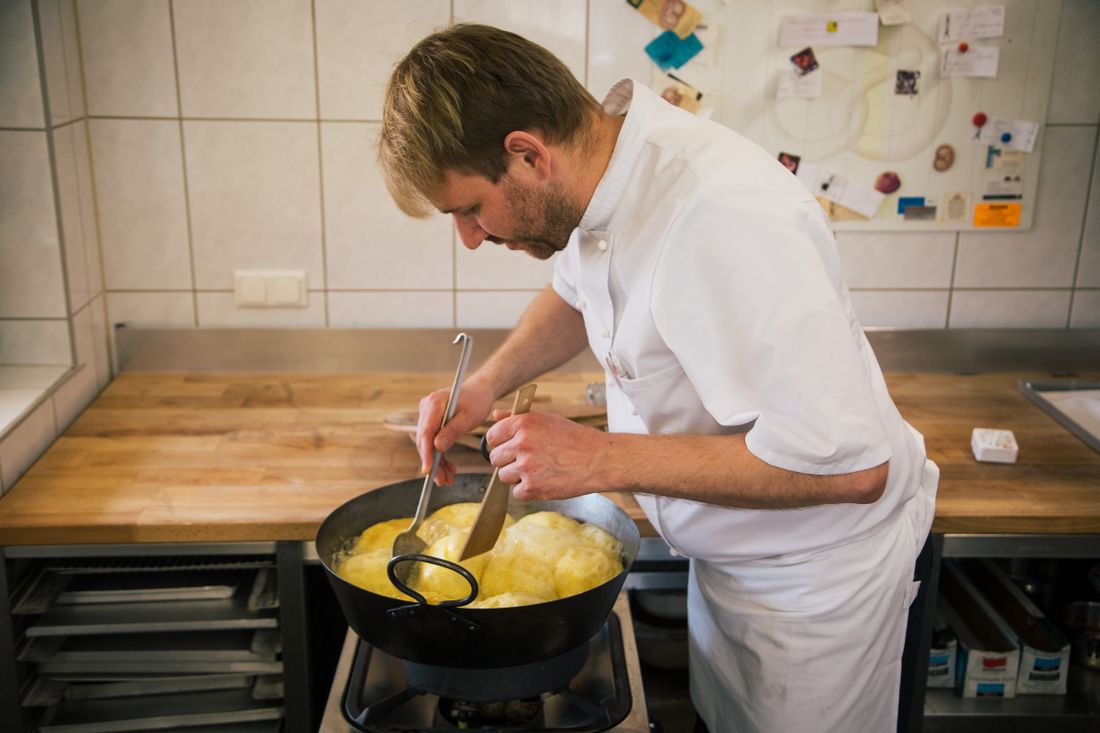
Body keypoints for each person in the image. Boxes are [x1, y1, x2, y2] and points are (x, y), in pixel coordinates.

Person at [379, 24, 938, 733]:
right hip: (731, 558)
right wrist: (485, 384)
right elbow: (582, 291)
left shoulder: (724, 217)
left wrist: (599, 457)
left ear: (526, 154)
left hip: (812, 589)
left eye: (467, 208)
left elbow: (853, 468)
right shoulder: (605, 170)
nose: (468, 236)